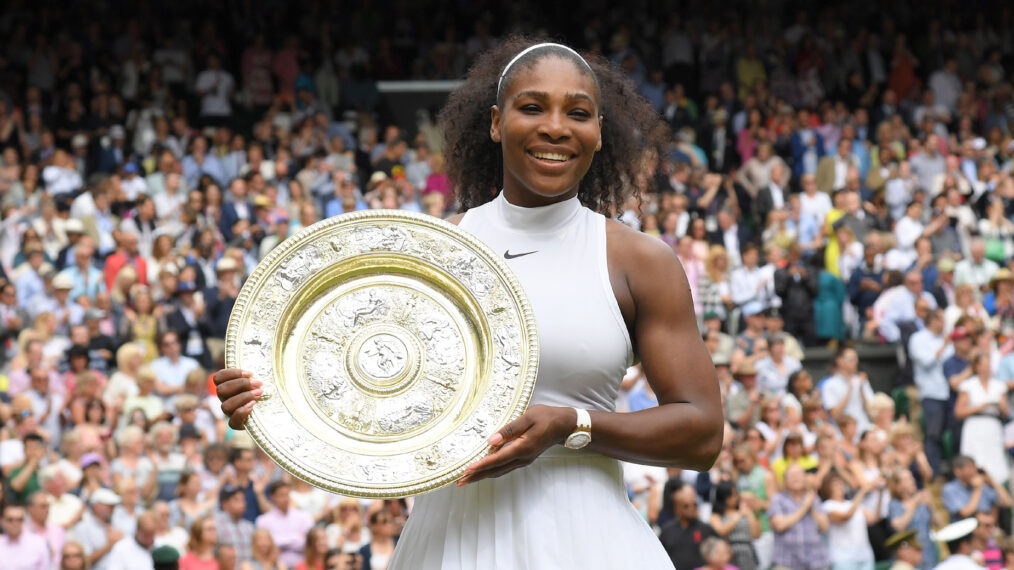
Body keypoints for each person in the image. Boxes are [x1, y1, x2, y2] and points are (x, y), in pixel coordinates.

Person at [214, 39, 722, 569]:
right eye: (532, 107)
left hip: (590, 542)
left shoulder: (641, 261)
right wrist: (271, 400)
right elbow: (367, 381)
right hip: (448, 545)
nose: (555, 126)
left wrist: (571, 424)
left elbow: (702, 432)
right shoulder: (427, 254)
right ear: (497, 123)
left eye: (578, 113)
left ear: (598, 135)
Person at [954, 353, 1010, 485]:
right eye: (985, 365)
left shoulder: (999, 385)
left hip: (993, 426)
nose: (987, 368)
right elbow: (958, 412)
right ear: (977, 366)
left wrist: (1002, 407)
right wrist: (980, 407)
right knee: (975, 459)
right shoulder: (968, 385)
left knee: (996, 461)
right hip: (974, 426)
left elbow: (1006, 414)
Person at [767, 463, 830, 570]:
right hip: (786, 562)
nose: (796, 478)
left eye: (799, 474)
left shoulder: (814, 499)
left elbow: (825, 527)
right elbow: (780, 525)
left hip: (816, 561)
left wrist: (812, 508)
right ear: (785, 481)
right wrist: (804, 508)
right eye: (792, 475)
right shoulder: (778, 499)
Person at [660, 484, 717, 569]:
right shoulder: (667, 531)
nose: (691, 508)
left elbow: (719, 548)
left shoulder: (705, 529)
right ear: (677, 508)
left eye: (694, 505)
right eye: (686, 506)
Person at [0, 503, 51, 569]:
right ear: (2, 521)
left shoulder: (38, 543)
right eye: (10, 520)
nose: (15, 523)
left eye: (19, 520)